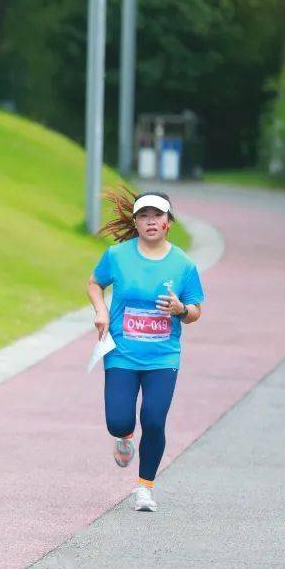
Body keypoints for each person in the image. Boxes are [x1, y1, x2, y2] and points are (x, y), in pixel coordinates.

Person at [87, 190, 205, 512]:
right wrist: (100, 311)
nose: (151, 221)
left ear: (168, 222)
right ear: (136, 222)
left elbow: (195, 311)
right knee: (117, 421)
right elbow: (94, 283)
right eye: (144, 216)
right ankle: (124, 438)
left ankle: (144, 488)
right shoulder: (117, 256)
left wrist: (181, 309)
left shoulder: (183, 264)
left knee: (153, 419)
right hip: (122, 352)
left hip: (162, 357)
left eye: (158, 216)